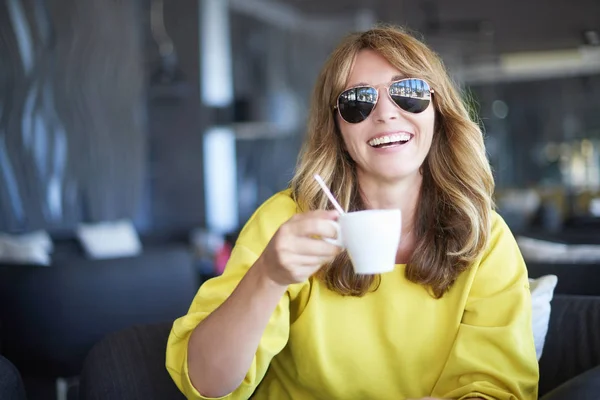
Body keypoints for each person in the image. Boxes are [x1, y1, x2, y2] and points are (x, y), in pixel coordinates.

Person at [166, 25, 539, 400]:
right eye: (358, 101)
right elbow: (206, 383)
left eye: (408, 92)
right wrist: (268, 276)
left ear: (438, 109)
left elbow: (498, 389)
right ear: (337, 126)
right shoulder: (288, 222)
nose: (386, 114)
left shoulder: (483, 236)